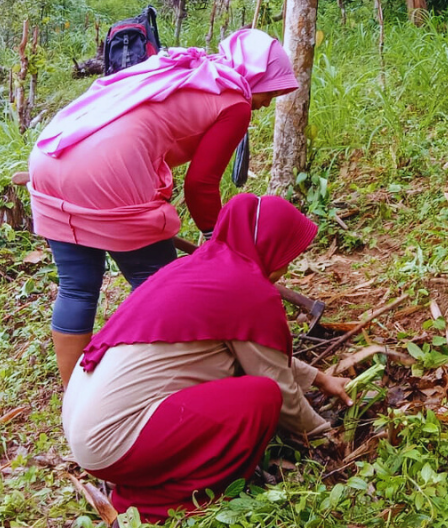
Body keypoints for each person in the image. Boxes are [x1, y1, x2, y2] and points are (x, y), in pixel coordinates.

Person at [28, 28, 299, 386]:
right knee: (157, 283)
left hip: (52, 154)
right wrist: (220, 242)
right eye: (271, 91)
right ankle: (167, 379)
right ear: (257, 77)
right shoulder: (234, 102)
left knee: (77, 287)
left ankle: (72, 396)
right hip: (109, 171)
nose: (266, 104)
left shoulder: (189, 71)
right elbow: (201, 186)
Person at [61, 193, 352, 523]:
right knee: (261, 398)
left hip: (83, 420)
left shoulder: (202, 270)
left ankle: (141, 475)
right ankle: (151, 501)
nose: (286, 267)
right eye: (287, 255)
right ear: (270, 246)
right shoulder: (249, 291)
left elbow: (255, 351)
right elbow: (279, 388)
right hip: (111, 439)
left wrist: (320, 379)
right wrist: (322, 432)